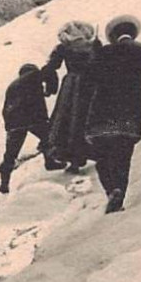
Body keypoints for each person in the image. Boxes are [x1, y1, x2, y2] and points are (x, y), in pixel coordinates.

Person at [84, 15, 141, 214]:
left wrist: (94, 55)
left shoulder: (103, 52)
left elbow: (88, 78)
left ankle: (111, 190)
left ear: (112, 36)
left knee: (102, 156)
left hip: (102, 111)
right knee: (123, 155)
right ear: (132, 33)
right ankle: (119, 192)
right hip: (130, 111)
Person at [41, 21, 102, 173]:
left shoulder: (63, 47)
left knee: (67, 120)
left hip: (72, 85)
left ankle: (74, 161)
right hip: (92, 84)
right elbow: (104, 63)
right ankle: (97, 152)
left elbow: (51, 66)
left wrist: (43, 77)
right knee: (90, 116)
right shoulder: (94, 44)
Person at [0, 63, 52, 194]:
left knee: (10, 154)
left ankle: (4, 184)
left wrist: (9, 126)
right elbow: (47, 72)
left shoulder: (13, 85)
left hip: (14, 122)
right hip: (31, 119)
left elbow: (6, 109)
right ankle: (50, 160)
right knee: (49, 136)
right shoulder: (32, 77)